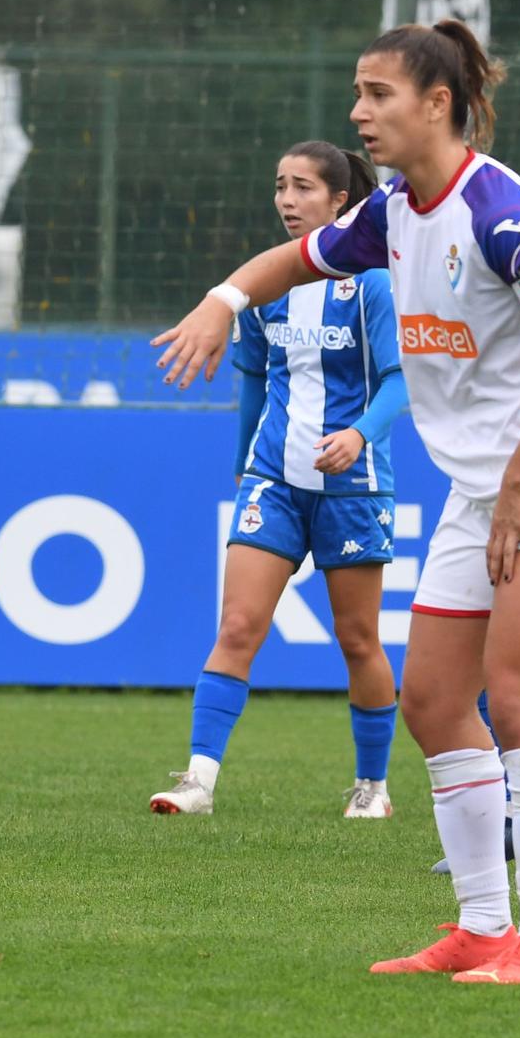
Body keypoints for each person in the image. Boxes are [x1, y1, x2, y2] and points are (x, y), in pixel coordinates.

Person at [154, 19, 520, 985]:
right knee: (433, 702)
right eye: (358, 95)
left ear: (437, 104)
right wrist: (222, 301)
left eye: (378, 95)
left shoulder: (505, 216)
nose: (360, 114)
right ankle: (482, 927)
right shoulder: (395, 212)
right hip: (481, 490)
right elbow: (294, 261)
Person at [148, 141, 405, 821]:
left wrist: (358, 436)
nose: (288, 201)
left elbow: (401, 380)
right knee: (237, 625)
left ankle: (373, 788)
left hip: (356, 487)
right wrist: (243, 465)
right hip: (274, 481)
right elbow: (254, 383)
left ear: (340, 201)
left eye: (303, 188)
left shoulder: (372, 283)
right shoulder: (266, 288)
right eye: (280, 186)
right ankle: (198, 782)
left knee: (358, 640)